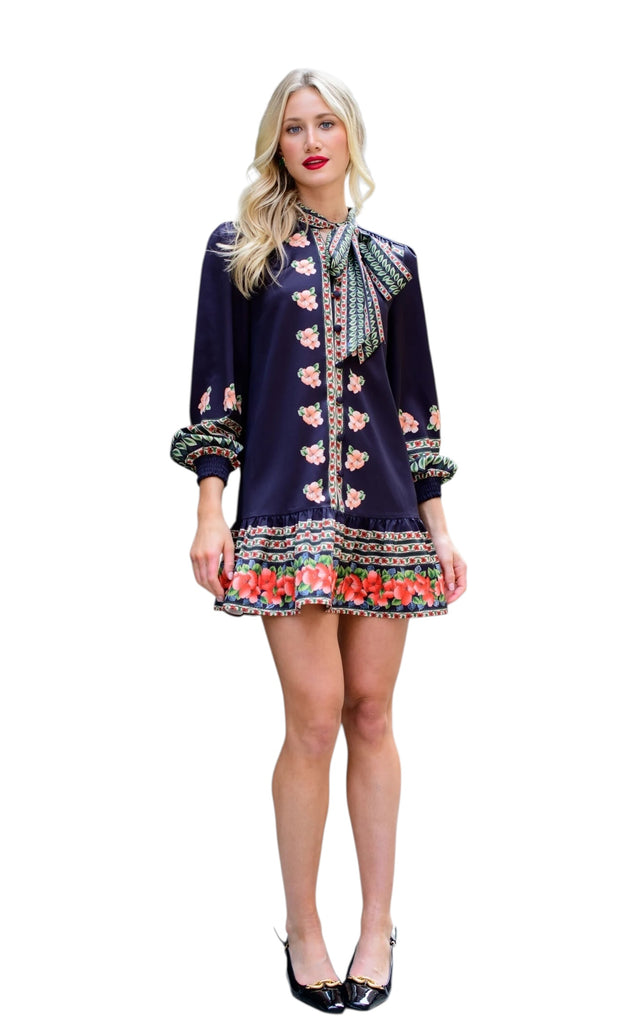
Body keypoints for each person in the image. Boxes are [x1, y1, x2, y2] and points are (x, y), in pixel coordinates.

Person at [170, 68, 466, 1014]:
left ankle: (377, 925)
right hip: (283, 518)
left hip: (386, 518)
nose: (309, 141)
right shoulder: (240, 252)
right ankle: (304, 926)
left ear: (349, 137)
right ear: (276, 142)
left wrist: (439, 526)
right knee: (313, 717)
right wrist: (209, 508)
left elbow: (413, 404)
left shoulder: (393, 263)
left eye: (324, 124)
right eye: (293, 127)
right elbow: (217, 387)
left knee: (371, 714)